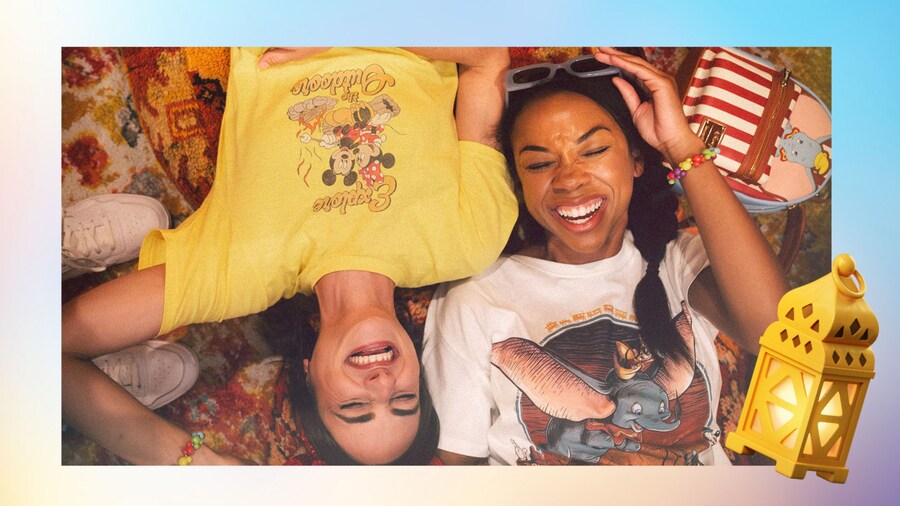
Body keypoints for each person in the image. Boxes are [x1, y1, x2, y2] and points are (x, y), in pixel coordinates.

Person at [62, 46, 517, 465]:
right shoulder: (468, 241)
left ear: (308, 374)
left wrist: (192, 461)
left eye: (354, 407)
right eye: (404, 400)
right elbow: (487, 58)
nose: (381, 385)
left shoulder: (240, 273)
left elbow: (48, 349)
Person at [422, 47, 789, 465]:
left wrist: (680, 144)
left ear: (636, 160)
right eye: (540, 164)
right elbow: (454, 472)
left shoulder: (678, 263)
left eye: (593, 151)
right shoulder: (477, 295)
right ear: (519, 183)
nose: (570, 179)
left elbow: (775, 328)